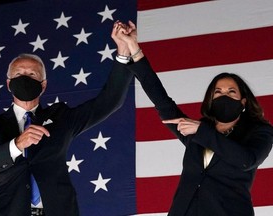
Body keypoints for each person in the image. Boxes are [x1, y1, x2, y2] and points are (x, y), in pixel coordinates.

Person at [115, 21, 273, 216]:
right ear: (210, 99)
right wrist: (135, 50)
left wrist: (201, 131)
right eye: (218, 92)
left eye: (231, 92)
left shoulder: (259, 131)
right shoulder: (197, 131)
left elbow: (246, 160)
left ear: (243, 101)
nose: (224, 95)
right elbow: (163, 103)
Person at [0, 22, 133, 216]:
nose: (25, 78)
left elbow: (110, 102)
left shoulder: (60, 118)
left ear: (43, 85)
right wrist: (17, 144)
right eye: (19, 74)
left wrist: (123, 53)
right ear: (8, 83)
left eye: (31, 74)